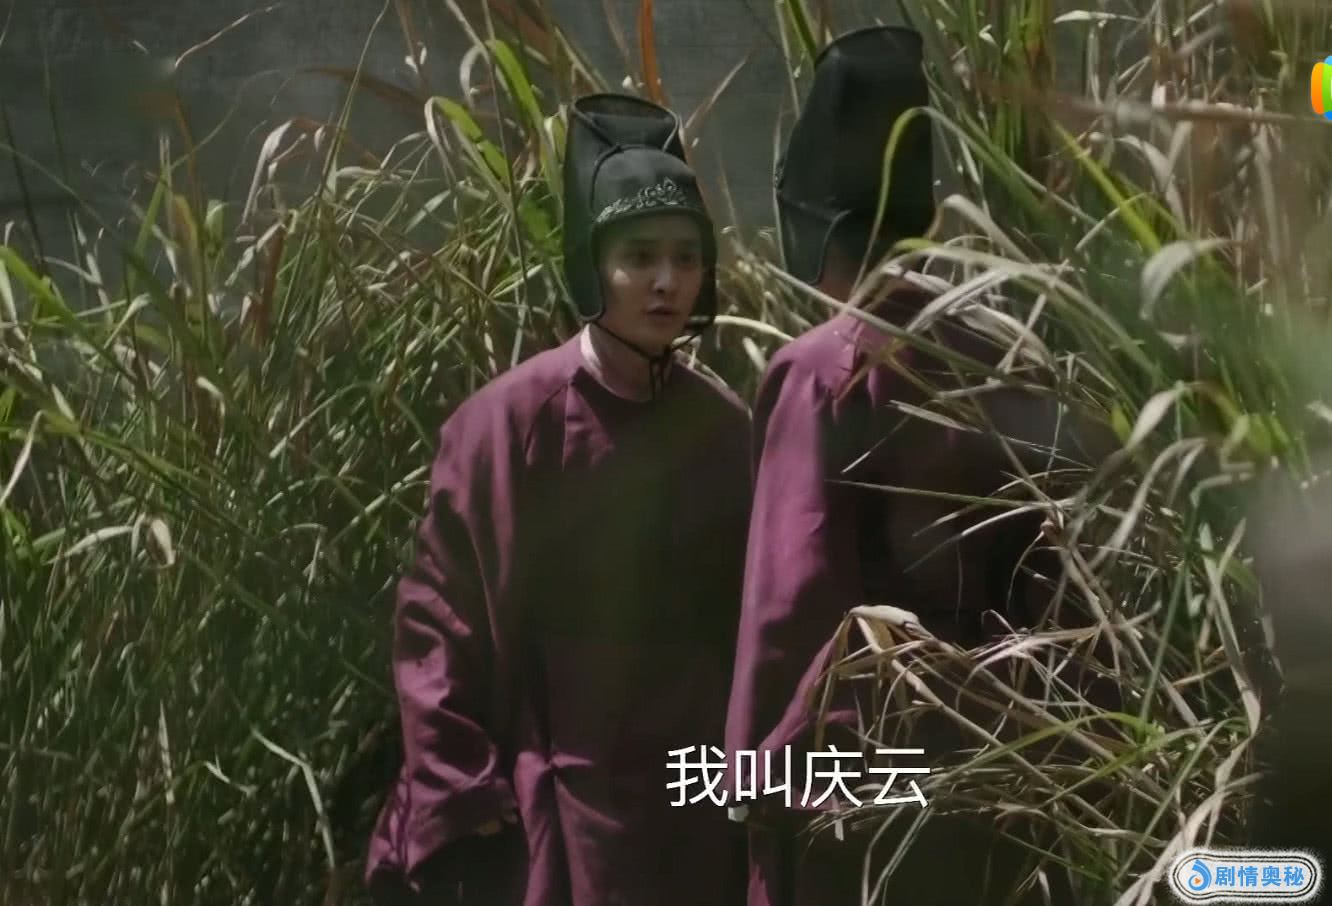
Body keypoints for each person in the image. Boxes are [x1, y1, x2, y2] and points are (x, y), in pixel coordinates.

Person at [724, 26, 1089, 906]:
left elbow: (794, 603)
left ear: (813, 222)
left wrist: (755, 776)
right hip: (995, 765)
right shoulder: (1008, 353)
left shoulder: (824, 369)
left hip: (859, 784)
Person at [364, 93, 752, 906]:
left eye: (686, 258)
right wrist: (458, 780)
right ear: (592, 262)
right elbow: (440, 617)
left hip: (693, 796)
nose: (667, 282)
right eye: (639, 256)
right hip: (555, 787)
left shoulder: (725, 428)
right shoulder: (506, 425)